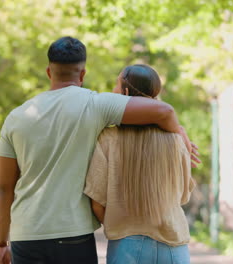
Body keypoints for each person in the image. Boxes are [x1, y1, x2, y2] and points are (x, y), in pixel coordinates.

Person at [0, 37, 200, 264]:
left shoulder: (16, 117)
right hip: (74, 235)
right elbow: (163, 111)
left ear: (48, 72)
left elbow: (4, 189)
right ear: (82, 74)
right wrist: (179, 134)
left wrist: (1, 243)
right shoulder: (96, 104)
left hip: (27, 236)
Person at [84, 64, 196, 264]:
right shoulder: (176, 139)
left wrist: (119, 222)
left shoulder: (108, 138)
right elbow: (183, 195)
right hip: (172, 242)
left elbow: (97, 201)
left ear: (125, 92)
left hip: (126, 245)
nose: (113, 91)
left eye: (116, 86)